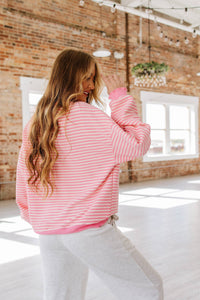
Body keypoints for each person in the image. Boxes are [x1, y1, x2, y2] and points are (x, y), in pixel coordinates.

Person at [16, 49, 163, 300]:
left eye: (93, 78)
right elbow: (136, 144)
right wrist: (119, 99)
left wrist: (38, 216)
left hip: (50, 233)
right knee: (147, 289)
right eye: (86, 77)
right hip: (87, 230)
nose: (91, 85)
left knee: (61, 296)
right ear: (68, 77)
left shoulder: (37, 121)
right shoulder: (87, 115)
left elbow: (24, 177)